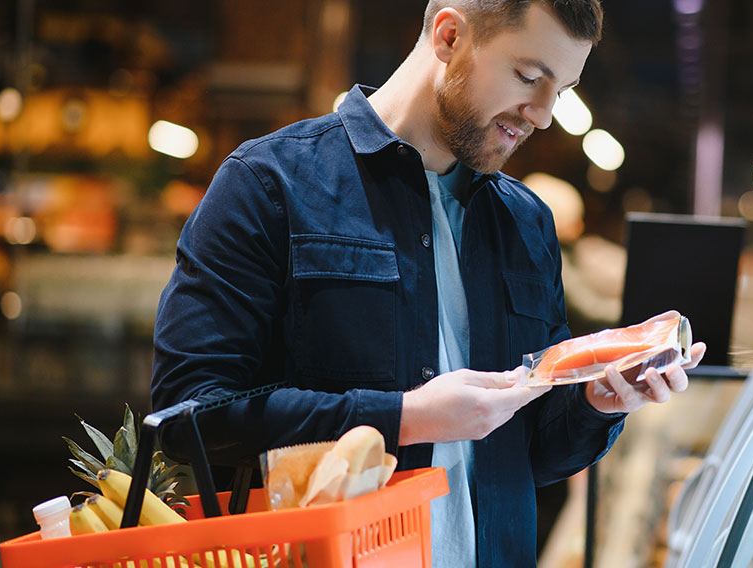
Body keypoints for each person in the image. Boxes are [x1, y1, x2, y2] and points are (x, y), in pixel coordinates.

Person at [150, 1, 706, 566]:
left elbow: (530, 456)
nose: (542, 115)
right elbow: (185, 414)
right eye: (529, 77)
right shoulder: (269, 185)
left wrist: (596, 403)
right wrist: (404, 417)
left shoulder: (529, 223)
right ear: (448, 36)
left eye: (559, 91)